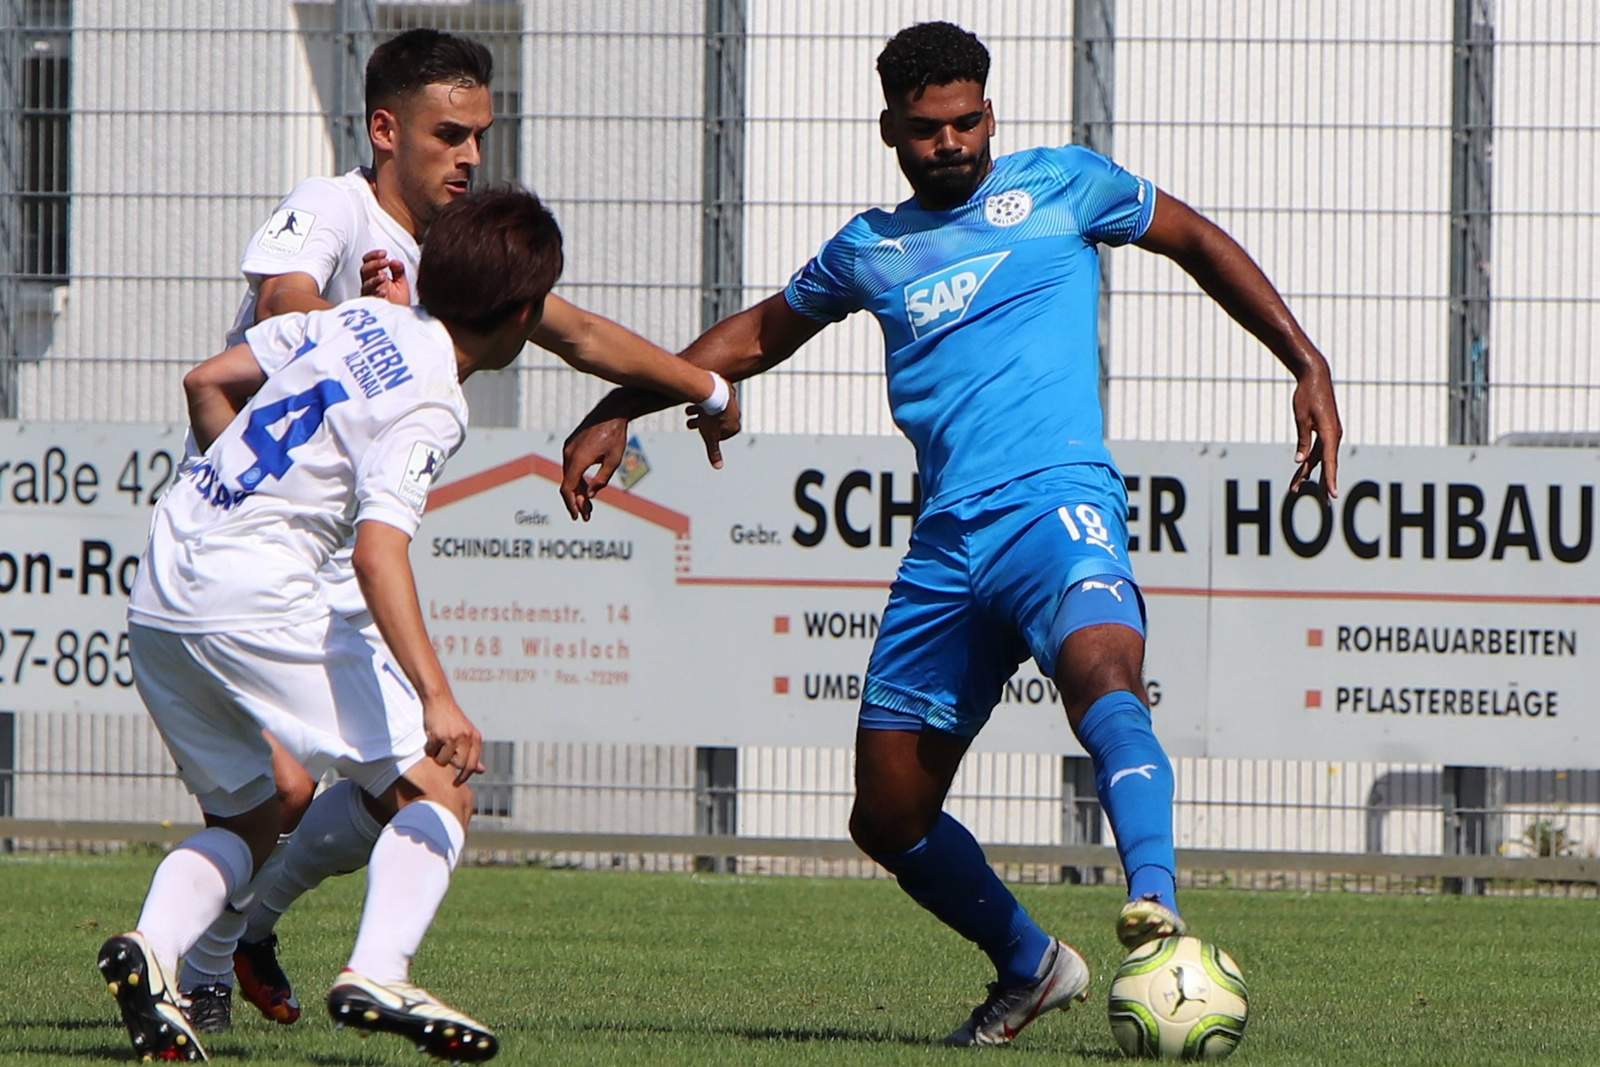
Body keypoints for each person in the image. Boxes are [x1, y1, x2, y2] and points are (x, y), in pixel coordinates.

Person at [559, 20, 1342, 1048]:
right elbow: (754, 335)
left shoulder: (1064, 185)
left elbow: (1191, 235)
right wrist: (624, 402)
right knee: (884, 814)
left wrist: (1304, 360)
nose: (954, 144)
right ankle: (1031, 962)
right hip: (943, 546)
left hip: (1057, 505)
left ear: (989, 113)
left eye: (969, 121)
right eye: (929, 129)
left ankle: (1156, 913)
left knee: (1106, 671)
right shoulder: (868, 249)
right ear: (891, 127)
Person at [99, 187, 737, 1063]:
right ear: (520, 317)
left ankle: (150, 949)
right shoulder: (435, 398)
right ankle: (377, 968)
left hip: (166, 583)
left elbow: (206, 380)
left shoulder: (352, 319)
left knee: (254, 813)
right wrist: (440, 698)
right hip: (258, 593)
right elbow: (377, 551)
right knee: (441, 785)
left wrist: (241, 503)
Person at [180, 27, 696, 1033]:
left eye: (479, 138)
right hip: (258, 552)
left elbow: (577, 331)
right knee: (284, 788)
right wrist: (359, 324)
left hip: (337, 560)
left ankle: (241, 938)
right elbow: (278, 310)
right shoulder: (329, 209)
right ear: (385, 129)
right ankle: (201, 962)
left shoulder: (455, 251)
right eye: (448, 135)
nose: (468, 156)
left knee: (407, 783)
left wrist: (707, 384)